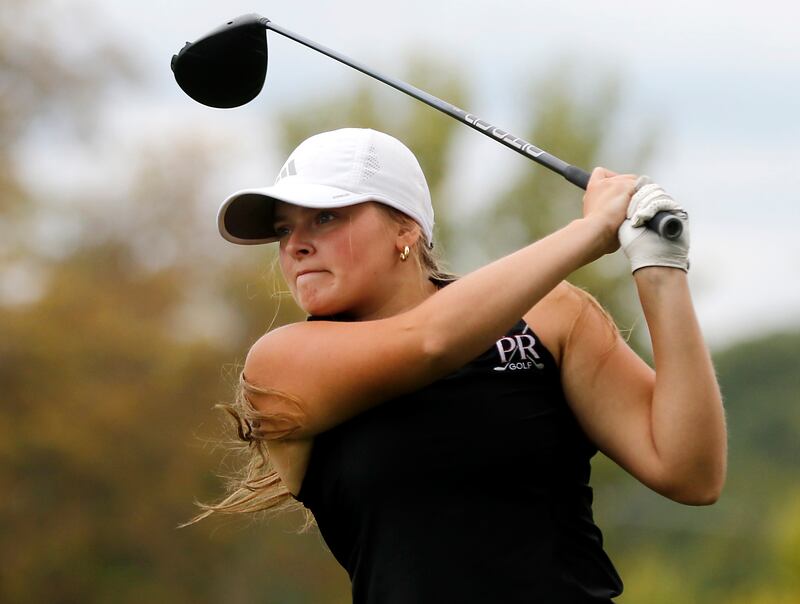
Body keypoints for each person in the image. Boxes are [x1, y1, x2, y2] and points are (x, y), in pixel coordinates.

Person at [192, 127, 727, 603]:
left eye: (326, 217)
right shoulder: (282, 365)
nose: (297, 246)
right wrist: (590, 231)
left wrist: (660, 267)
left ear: (406, 230)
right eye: (285, 230)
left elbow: (691, 473)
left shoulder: (550, 317)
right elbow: (432, 341)